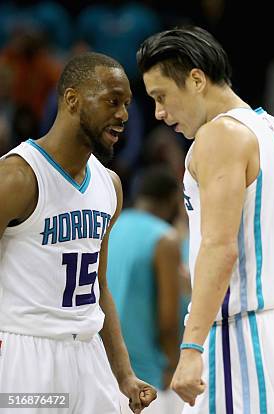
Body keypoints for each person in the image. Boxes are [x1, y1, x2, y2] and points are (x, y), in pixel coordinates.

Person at [136, 26, 274, 413]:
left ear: (195, 79)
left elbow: (219, 247)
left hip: (239, 338)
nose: (158, 113)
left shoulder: (219, 136)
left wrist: (191, 346)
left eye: (162, 97)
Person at [0, 52, 156, 413]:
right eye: (112, 101)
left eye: (127, 104)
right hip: (27, 354)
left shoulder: (110, 185)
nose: (123, 115)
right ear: (72, 99)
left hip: (89, 355)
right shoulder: (18, 177)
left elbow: (99, 288)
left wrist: (125, 375)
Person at [107, 166, 184, 414]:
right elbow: (168, 320)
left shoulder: (112, 227)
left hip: (107, 370)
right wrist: (173, 367)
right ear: (173, 200)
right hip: (148, 380)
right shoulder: (165, 239)